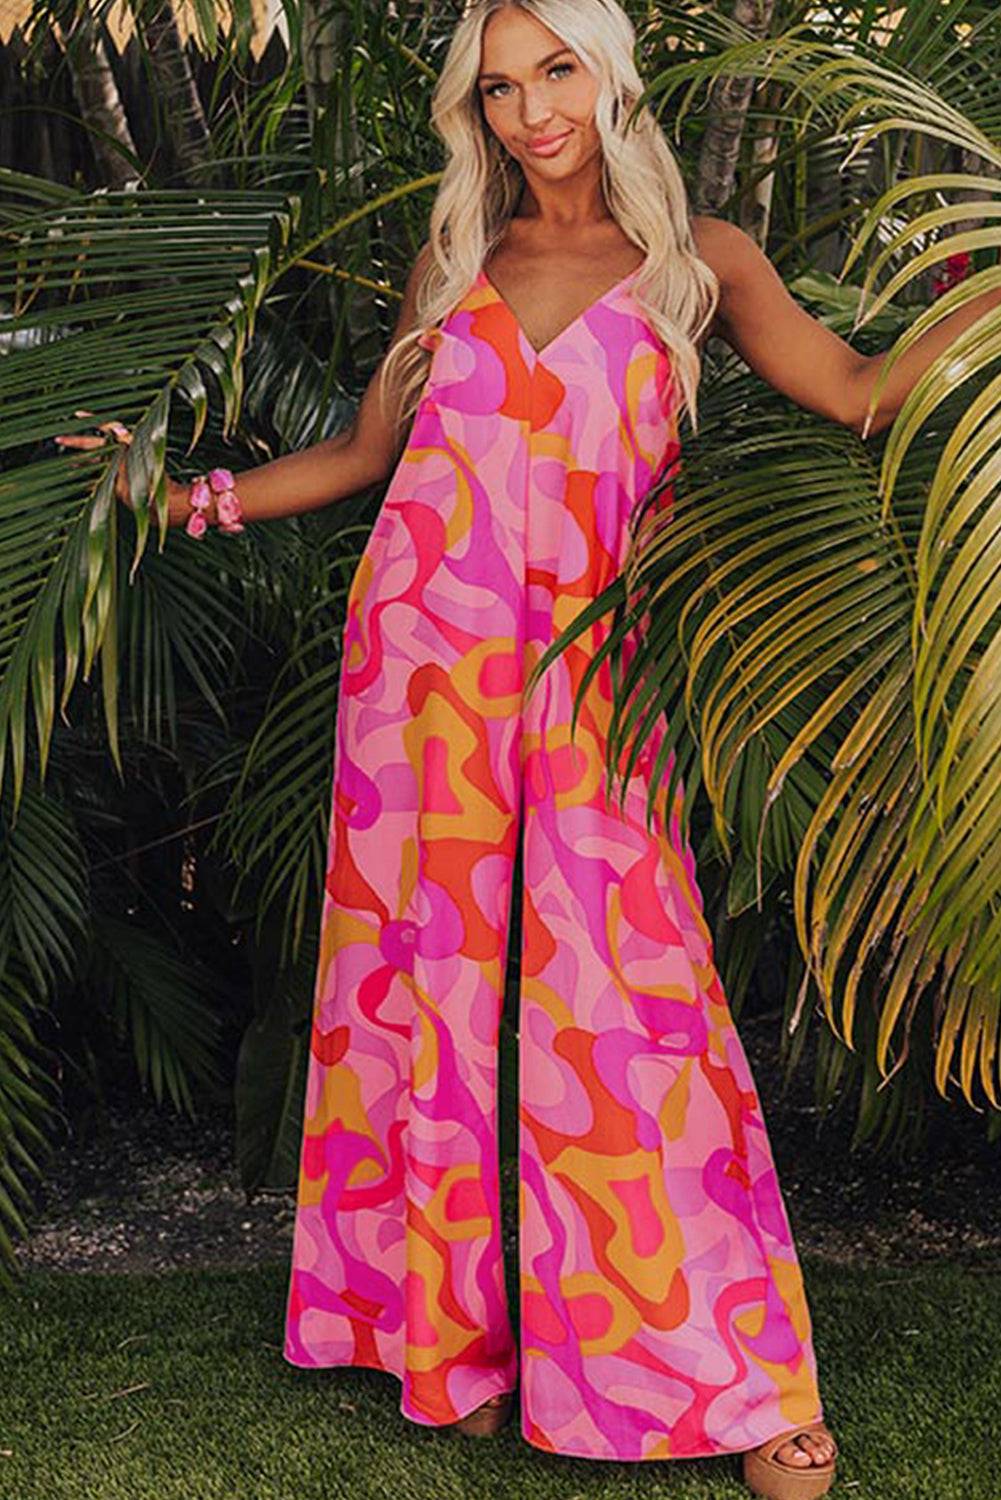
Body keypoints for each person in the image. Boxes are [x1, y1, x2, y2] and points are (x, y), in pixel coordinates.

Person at [55, 1, 999, 1493]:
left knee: (631, 1014)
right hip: (418, 674)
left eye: (552, 70)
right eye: (497, 88)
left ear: (608, 69)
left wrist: (983, 302)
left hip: (594, 689)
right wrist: (179, 499)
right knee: (419, 998)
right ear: (473, 111)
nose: (529, 110)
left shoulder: (701, 266)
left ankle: (736, 1382)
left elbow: (858, 393)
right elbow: (370, 459)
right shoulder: (453, 262)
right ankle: (453, 1343)